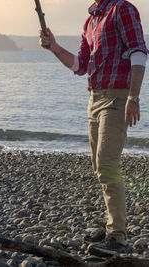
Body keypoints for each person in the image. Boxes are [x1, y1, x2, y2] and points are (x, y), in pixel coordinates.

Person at [39, 0, 148, 255]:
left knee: (108, 166)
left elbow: (139, 52)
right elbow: (80, 65)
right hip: (95, 98)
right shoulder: (91, 20)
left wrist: (133, 97)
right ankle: (112, 227)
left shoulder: (122, 8)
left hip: (117, 97)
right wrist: (53, 47)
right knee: (100, 168)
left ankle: (118, 238)